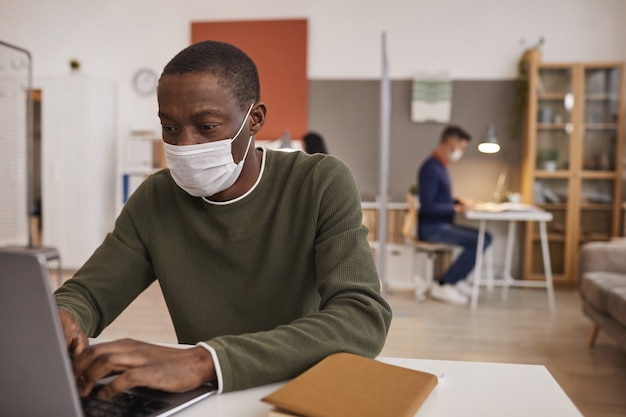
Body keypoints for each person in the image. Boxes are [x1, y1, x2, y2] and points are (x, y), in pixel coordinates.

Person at [54, 40, 392, 400]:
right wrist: (64, 317)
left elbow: (361, 317)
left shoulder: (318, 183)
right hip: (204, 398)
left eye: (207, 126)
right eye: (169, 128)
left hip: (294, 391)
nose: (185, 145)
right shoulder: (157, 198)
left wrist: (206, 361)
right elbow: (88, 294)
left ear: (255, 119)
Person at [417, 125, 492, 305]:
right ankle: (446, 283)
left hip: (440, 225)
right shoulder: (431, 167)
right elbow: (428, 206)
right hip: (431, 228)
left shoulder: (441, 167)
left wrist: (459, 202)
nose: (462, 152)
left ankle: (454, 280)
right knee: (483, 238)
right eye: (462, 147)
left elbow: (440, 198)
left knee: (484, 237)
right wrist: (456, 209)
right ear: (450, 143)